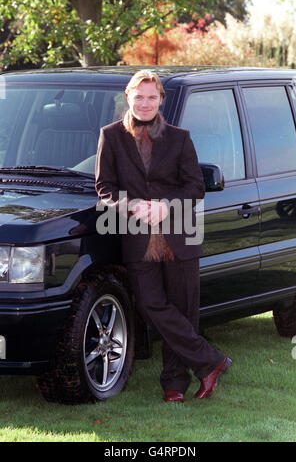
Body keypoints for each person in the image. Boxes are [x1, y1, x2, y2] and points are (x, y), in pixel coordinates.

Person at [95, 69, 231, 403]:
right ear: (127, 97)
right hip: (137, 236)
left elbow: (196, 186)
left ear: (161, 99)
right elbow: (104, 189)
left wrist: (165, 207)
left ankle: (175, 383)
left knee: (183, 311)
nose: (144, 103)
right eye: (138, 97)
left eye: (151, 97)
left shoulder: (180, 137)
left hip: (179, 236)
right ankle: (210, 361)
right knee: (150, 303)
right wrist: (133, 206)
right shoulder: (110, 136)